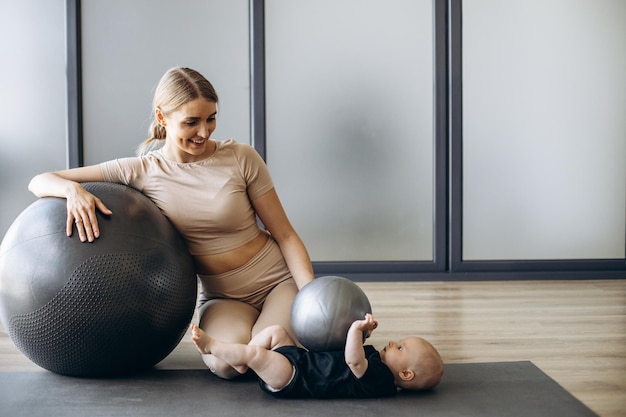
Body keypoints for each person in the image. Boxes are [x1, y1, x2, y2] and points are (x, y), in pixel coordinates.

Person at [28, 66, 315, 379]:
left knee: (271, 351)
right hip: (222, 296)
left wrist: (313, 296)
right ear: (162, 118)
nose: (204, 132)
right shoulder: (142, 171)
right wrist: (71, 190)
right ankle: (269, 350)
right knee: (226, 366)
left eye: (211, 118)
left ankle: (277, 345)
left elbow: (285, 235)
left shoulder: (241, 157)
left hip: (275, 282)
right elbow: (40, 181)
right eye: (191, 122)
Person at [190, 313, 444, 398]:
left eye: (400, 347)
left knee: (256, 353)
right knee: (276, 332)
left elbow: (353, 360)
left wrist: (355, 330)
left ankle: (212, 346)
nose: (392, 342)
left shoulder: (382, 380)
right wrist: (363, 333)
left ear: (406, 374)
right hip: (302, 360)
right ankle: (242, 365)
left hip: (297, 378)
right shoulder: (377, 363)